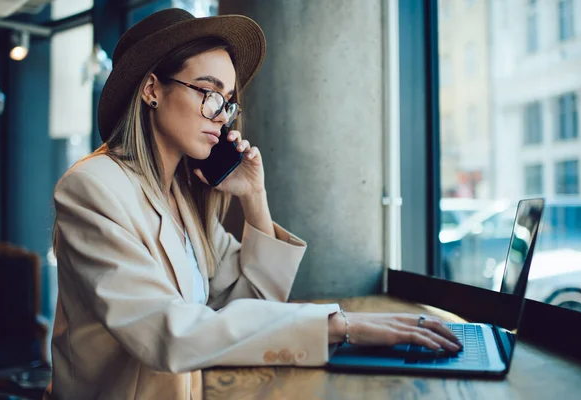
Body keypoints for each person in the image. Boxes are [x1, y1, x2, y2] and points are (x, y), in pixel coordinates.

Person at [44, 8, 461, 400]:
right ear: (152, 89)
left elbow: (252, 304)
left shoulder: (182, 199)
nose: (222, 115)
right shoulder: (92, 188)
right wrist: (339, 326)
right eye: (208, 92)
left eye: (227, 101)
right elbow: (168, 333)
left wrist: (254, 198)